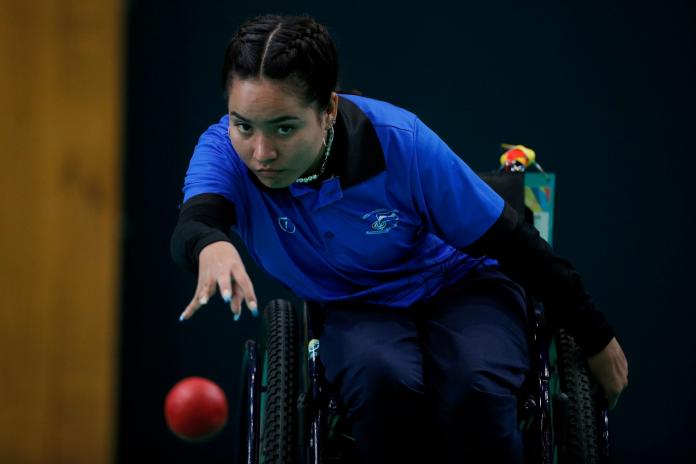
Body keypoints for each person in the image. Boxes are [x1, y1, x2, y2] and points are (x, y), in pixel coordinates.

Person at [170, 14, 628, 463]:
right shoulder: (223, 150)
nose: (261, 152)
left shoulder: (400, 141)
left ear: (327, 110)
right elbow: (198, 221)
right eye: (244, 125)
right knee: (383, 382)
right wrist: (212, 245)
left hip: (462, 284)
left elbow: (514, 243)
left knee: (475, 389)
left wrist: (595, 336)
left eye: (284, 128)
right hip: (354, 304)